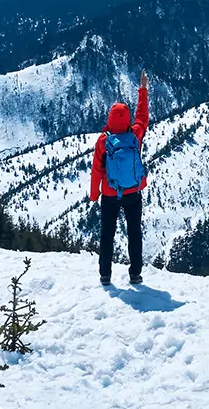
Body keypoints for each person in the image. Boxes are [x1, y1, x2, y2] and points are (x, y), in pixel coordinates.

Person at [90, 70, 150, 286]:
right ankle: (135, 273)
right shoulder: (135, 134)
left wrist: (93, 193)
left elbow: (97, 169)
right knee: (134, 232)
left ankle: (105, 275)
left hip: (109, 193)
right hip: (133, 191)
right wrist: (142, 89)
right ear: (127, 119)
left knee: (107, 234)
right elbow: (143, 117)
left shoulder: (103, 141)